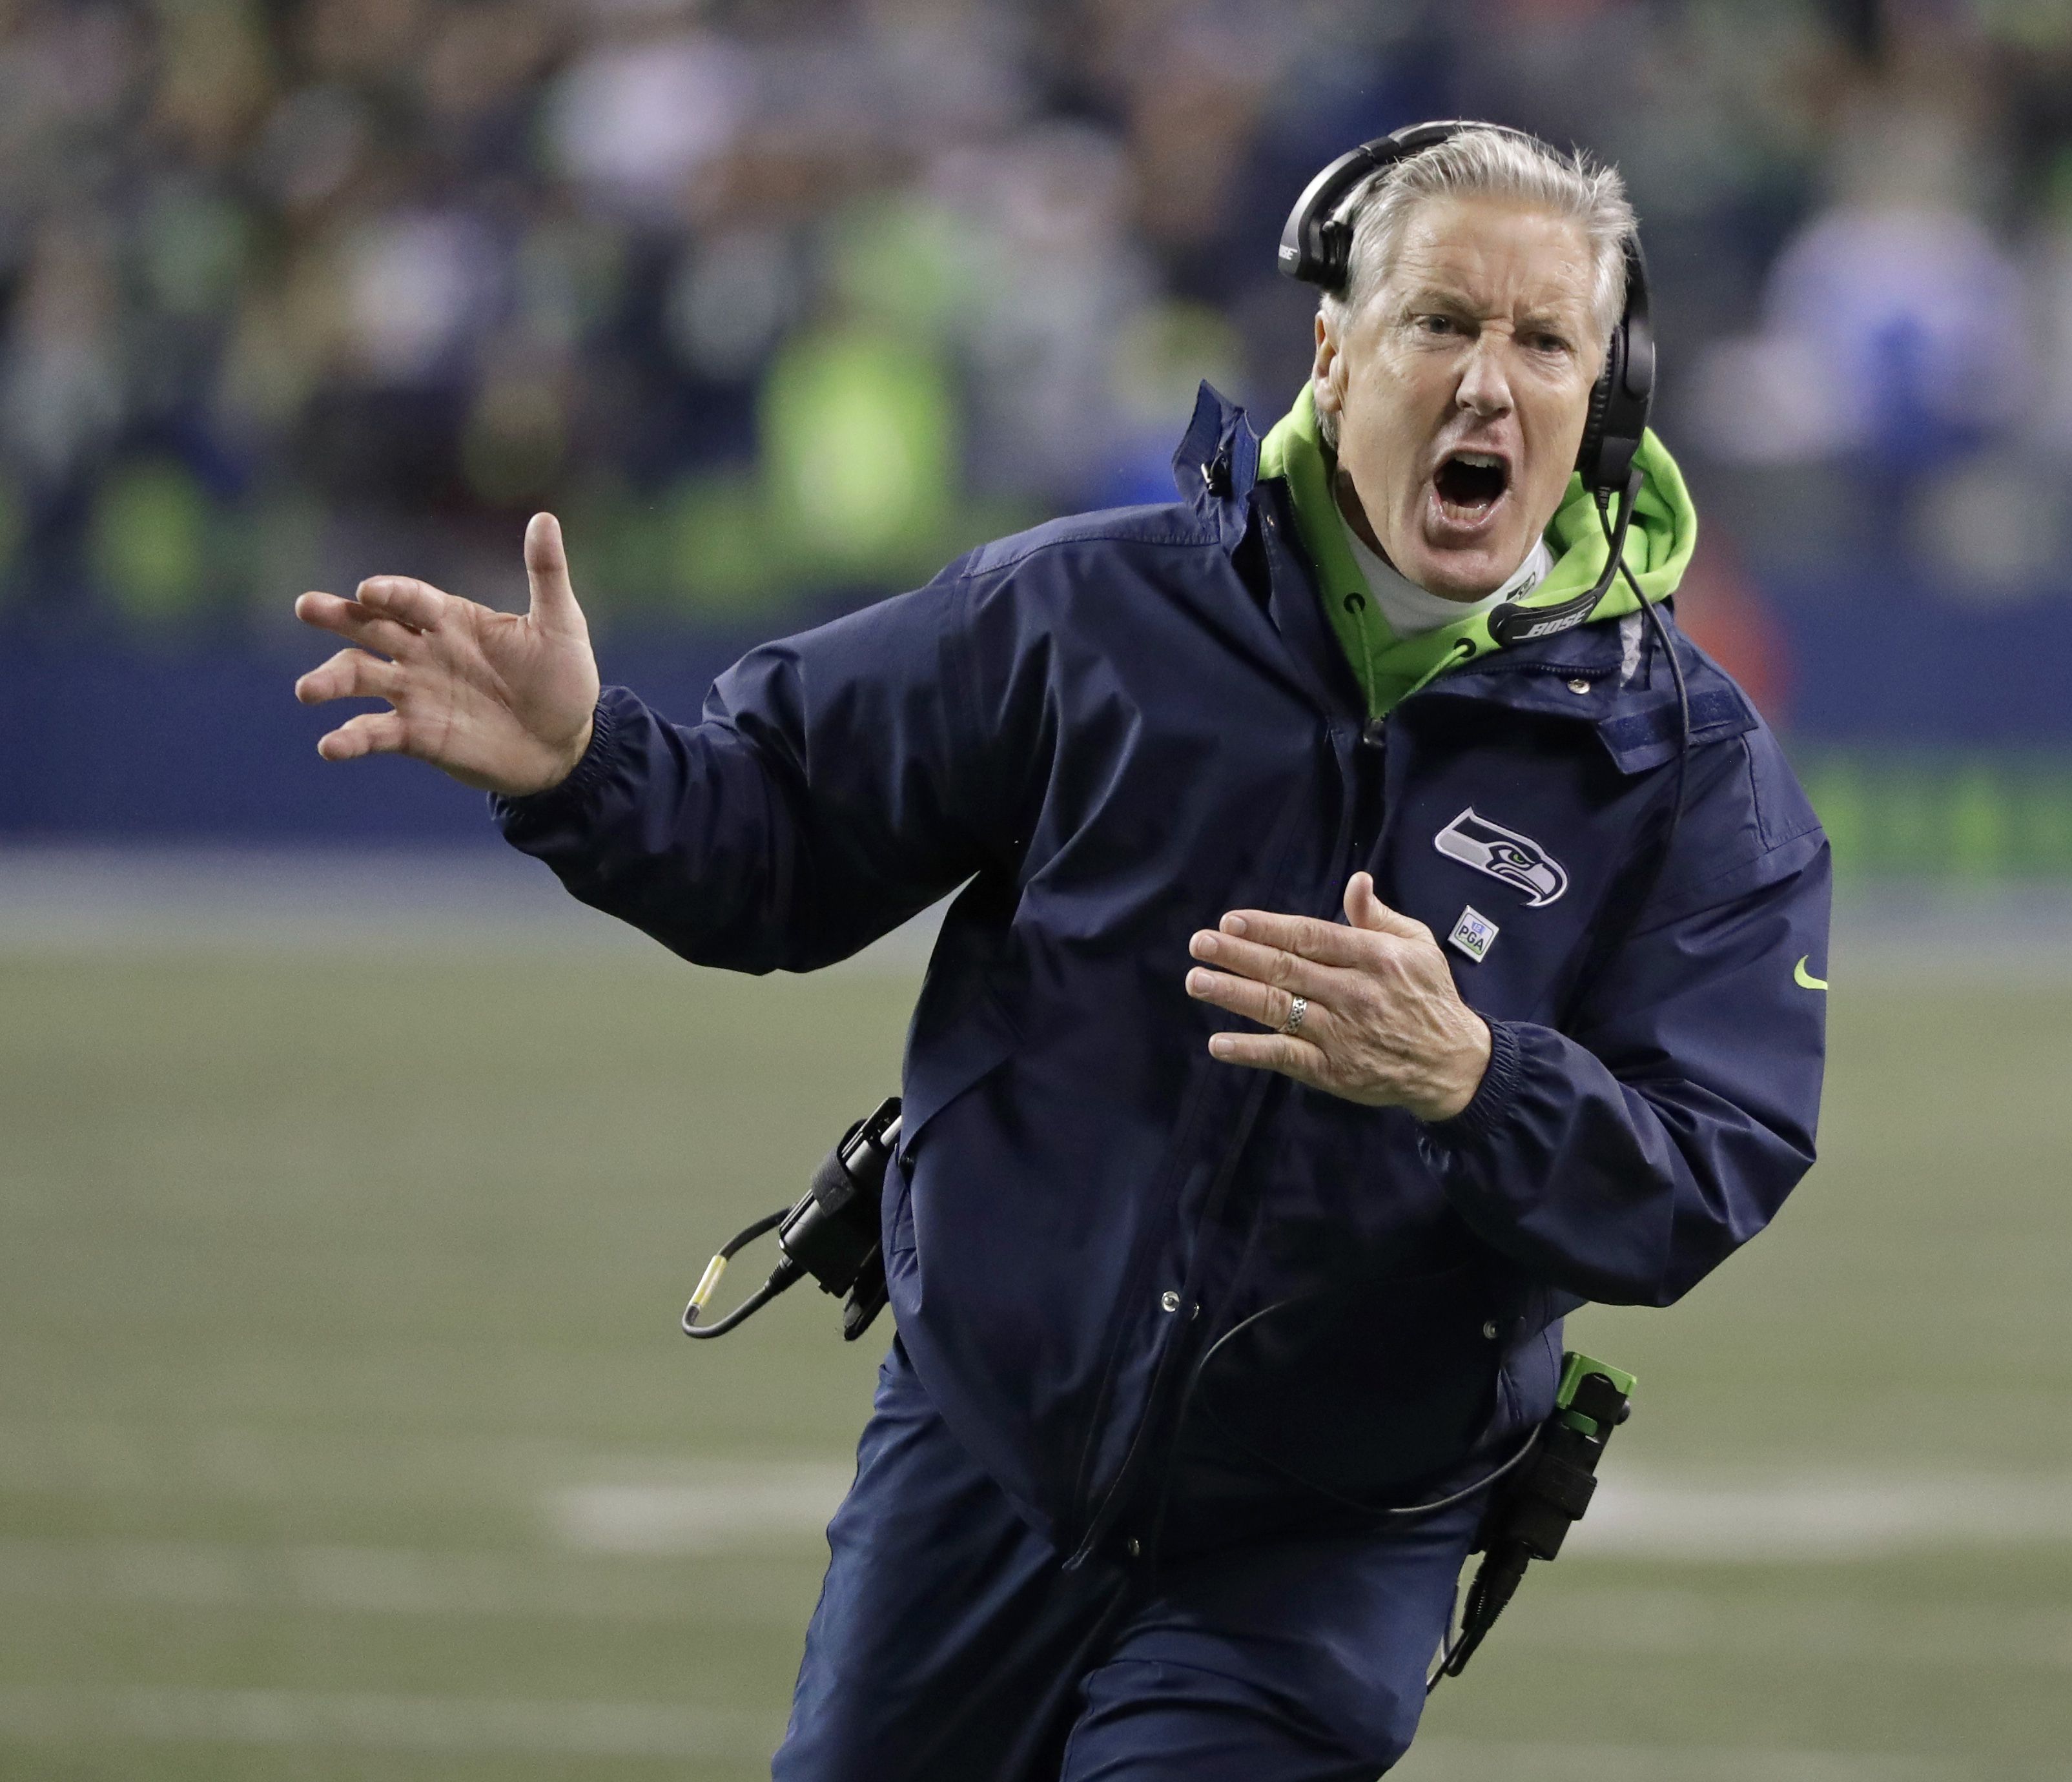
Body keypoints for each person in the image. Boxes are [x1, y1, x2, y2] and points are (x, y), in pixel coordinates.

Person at [291, 124, 1828, 1782]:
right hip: (984, 1461)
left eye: (1544, 343)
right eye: (1440, 321)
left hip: (1334, 1532)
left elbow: (1708, 1163)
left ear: (1606, 398)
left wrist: (1473, 1082)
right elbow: (780, 842)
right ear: (1336, 345)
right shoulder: (1088, 615)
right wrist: (589, 770)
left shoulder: (1687, 765)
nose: (1487, 383)